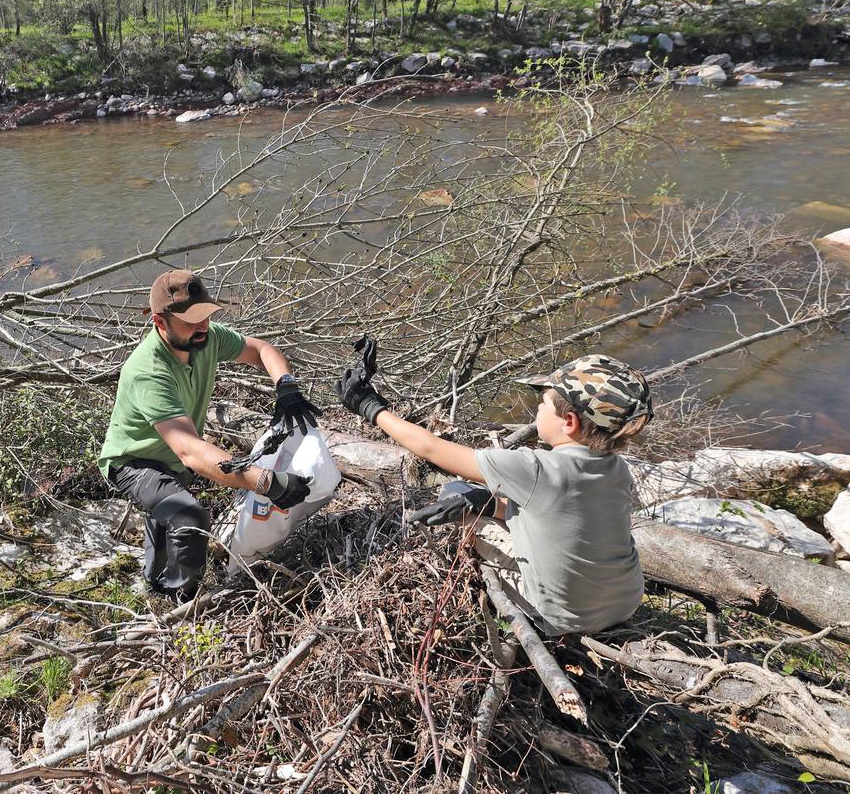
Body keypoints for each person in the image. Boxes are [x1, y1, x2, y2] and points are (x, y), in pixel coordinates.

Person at [337, 343, 652, 636]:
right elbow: (559, 518)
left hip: (565, 617)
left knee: (453, 492)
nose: (537, 409)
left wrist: (369, 406)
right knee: (474, 498)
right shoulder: (616, 469)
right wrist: (487, 503)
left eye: (542, 403)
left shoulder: (536, 468)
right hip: (626, 601)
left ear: (568, 422)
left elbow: (430, 448)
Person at [99, 270, 321, 602]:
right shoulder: (148, 371)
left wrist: (286, 387)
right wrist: (266, 481)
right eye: (191, 320)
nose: (202, 325)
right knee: (189, 519)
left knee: (166, 518)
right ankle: (179, 601)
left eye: (205, 316)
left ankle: (151, 585)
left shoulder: (206, 337)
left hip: (172, 458)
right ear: (161, 323)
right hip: (133, 461)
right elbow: (190, 450)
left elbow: (260, 350)